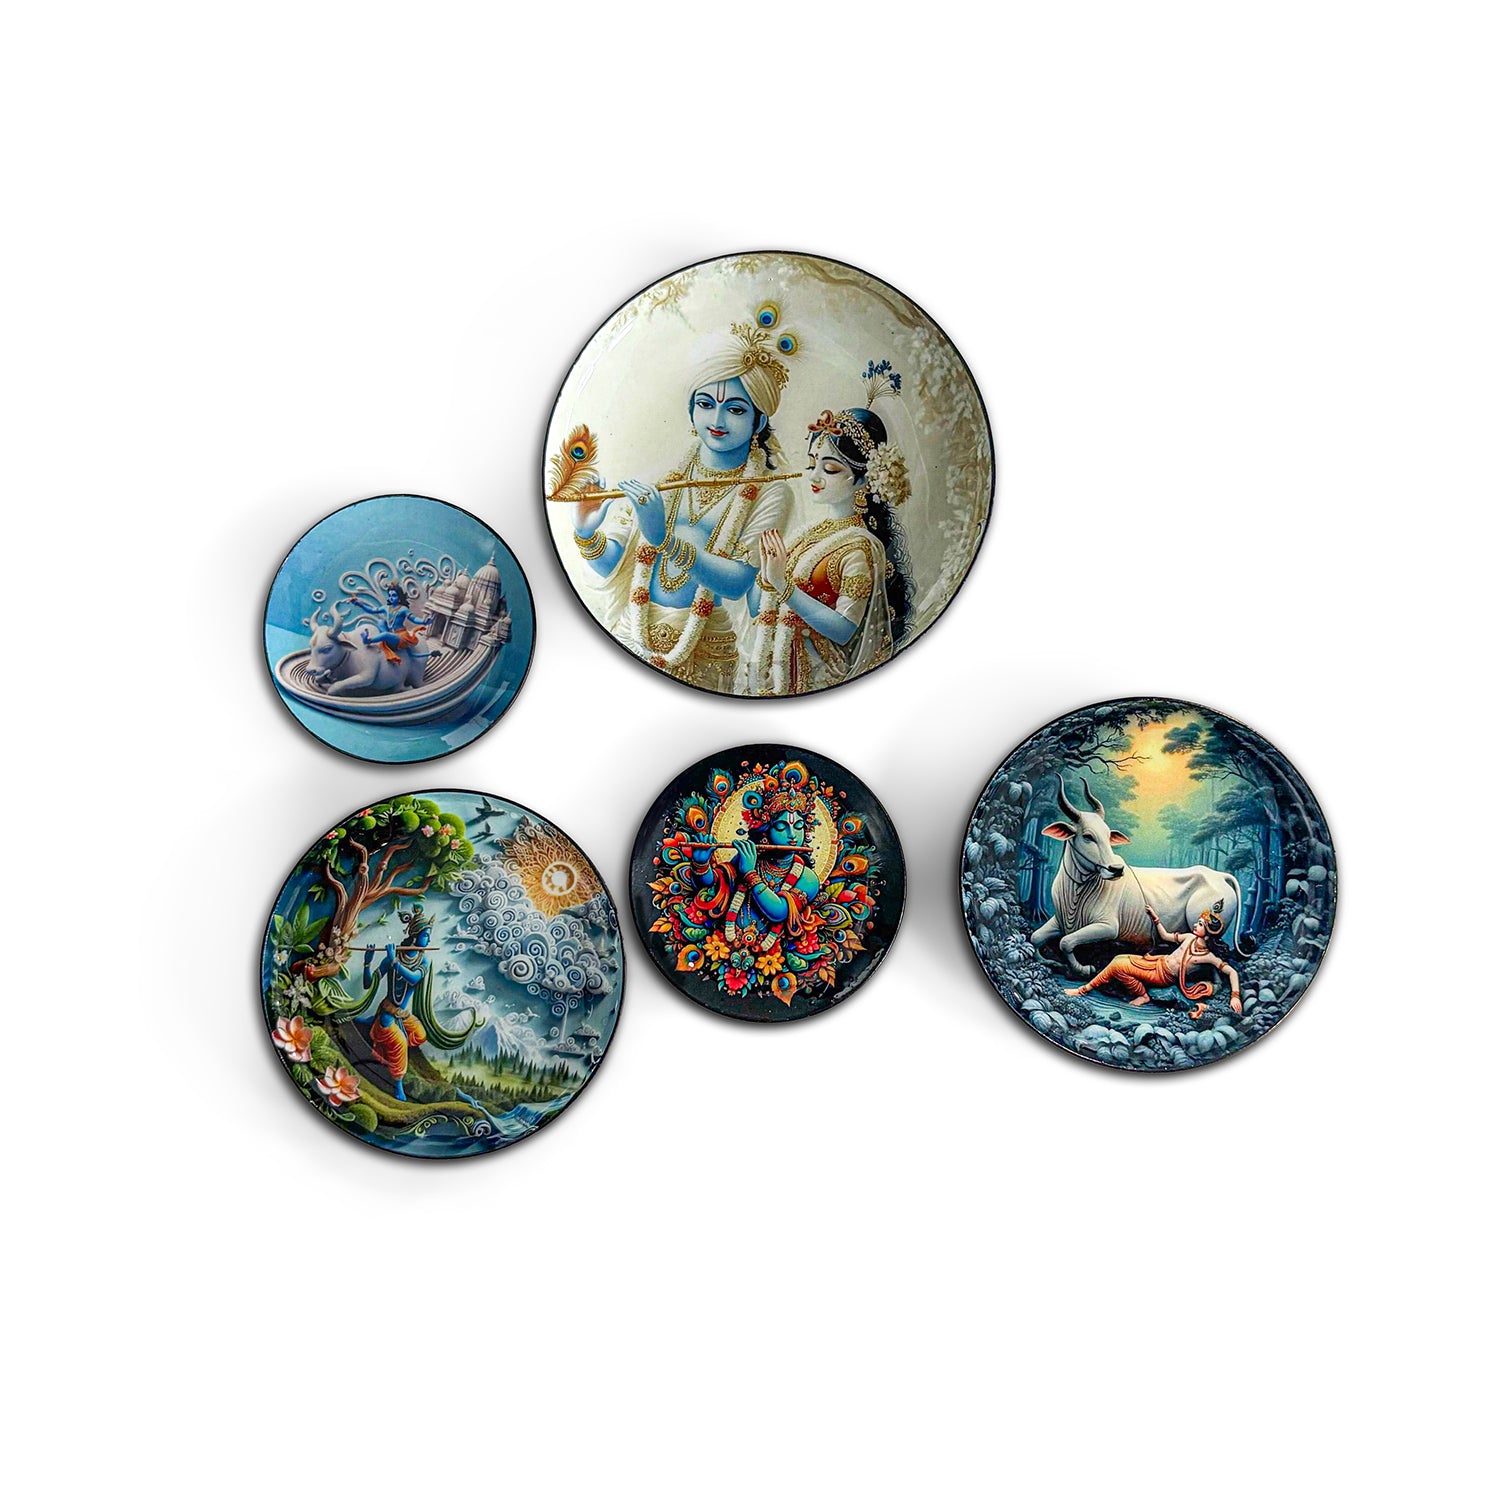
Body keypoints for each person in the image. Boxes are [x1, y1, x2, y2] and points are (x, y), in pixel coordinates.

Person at [569, 311, 797, 690]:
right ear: (691, 409)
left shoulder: (771, 492)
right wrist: (586, 533)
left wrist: (664, 540)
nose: (717, 418)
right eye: (705, 403)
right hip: (631, 635)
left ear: (758, 422)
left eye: (735, 409)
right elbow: (617, 564)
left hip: (705, 651)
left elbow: (737, 582)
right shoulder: (665, 478)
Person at [744, 363, 914, 694]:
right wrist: (760, 570)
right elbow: (758, 608)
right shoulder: (807, 534)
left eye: (830, 469)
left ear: (864, 480)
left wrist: (782, 585)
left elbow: (844, 629)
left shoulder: (860, 548)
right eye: (812, 464)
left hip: (816, 677)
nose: (815, 477)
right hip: (771, 668)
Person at [1064, 904, 1242, 1021]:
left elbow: (1232, 972)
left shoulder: (1208, 956)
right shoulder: (1189, 937)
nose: (1196, 925)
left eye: (1201, 924)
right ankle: (1140, 994)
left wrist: (1235, 996)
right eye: (1198, 922)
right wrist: (1155, 918)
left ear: (1209, 933)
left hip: (1162, 976)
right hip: (1156, 963)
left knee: (1119, 966)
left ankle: (1084, 990)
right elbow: (1165, 936)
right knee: (1118, 960)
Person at [359, 907, 434, 1100]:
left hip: (403, 1013)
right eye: (426, 936)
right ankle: (398, 1085)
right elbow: (369, 984)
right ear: (415, 935)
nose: (428, 941)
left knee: (420, 1035)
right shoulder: (392, 957)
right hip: (387, 1012)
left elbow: (414, 978)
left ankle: (381, 1041)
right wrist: (367, 963)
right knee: (400, 1043)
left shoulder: (422, 962)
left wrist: (394, 963)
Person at [359, 581, 431, 666]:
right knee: (381, 622)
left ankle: (368, 640)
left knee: (385, 635)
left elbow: (414, 619)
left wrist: (423, 621)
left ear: (399, 597)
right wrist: (360, 605)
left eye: (394, 595)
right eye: (390, 595)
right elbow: (372, 610)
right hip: (391, 632)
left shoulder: (403, 609)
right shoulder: (386, 608)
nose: (391, 598)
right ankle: (385, 640)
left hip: (400, 637)